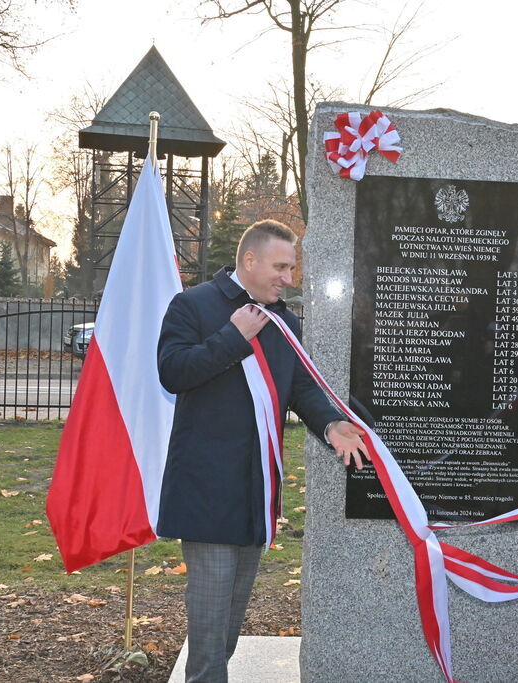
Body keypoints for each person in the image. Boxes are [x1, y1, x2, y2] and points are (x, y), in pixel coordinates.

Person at [156, 219, 370, 682]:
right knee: (210, 637)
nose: (288, 278)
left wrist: (331, 423)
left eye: (291, 268)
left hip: (255, 493)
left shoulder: (282, 320)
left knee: (228, 629)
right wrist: (233, 337)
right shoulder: (192, 305)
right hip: (206, 493)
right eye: (280, 266)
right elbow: (173, 372)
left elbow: (300, 387)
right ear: (249, 261)